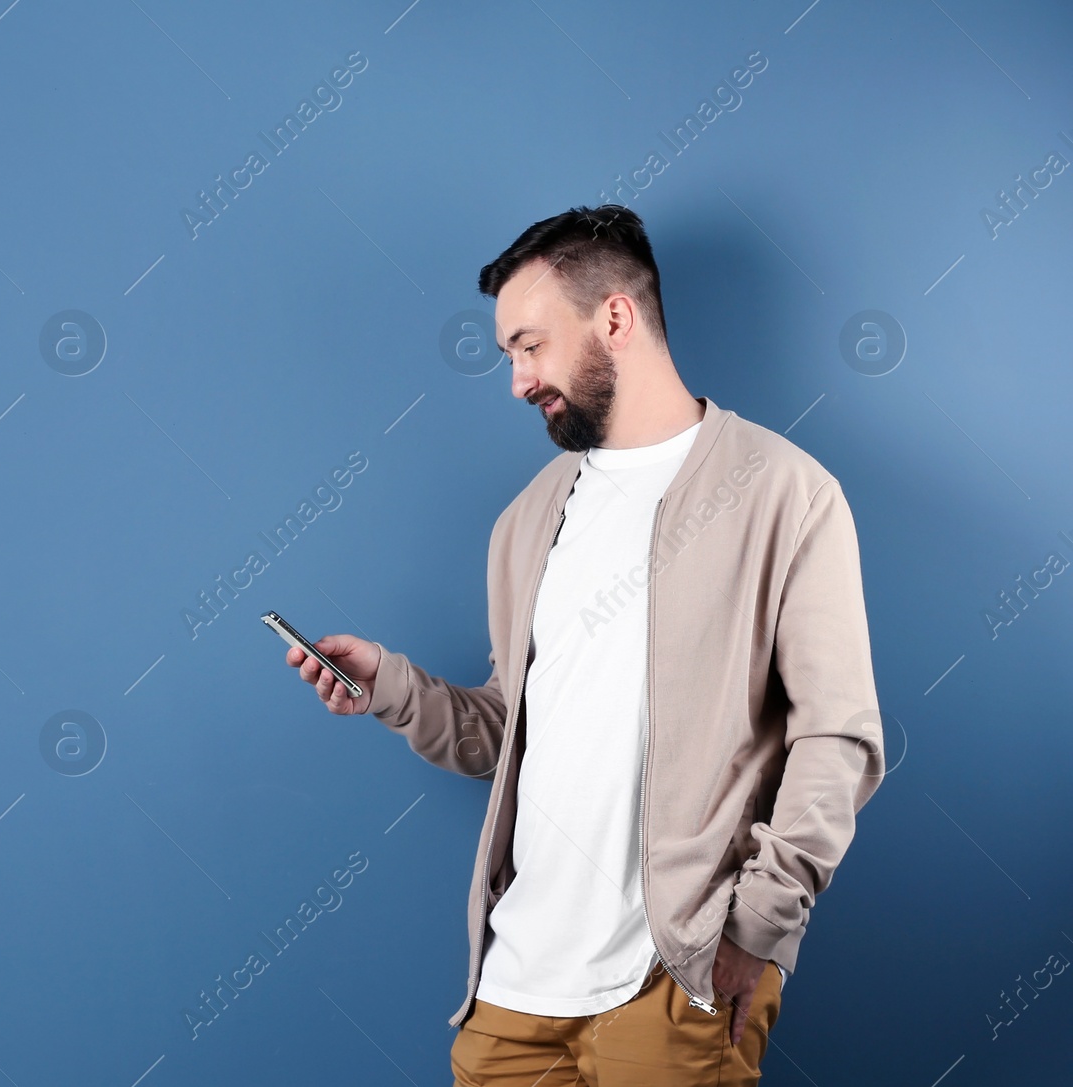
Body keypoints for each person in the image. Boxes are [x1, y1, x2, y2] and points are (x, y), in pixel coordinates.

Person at [285, 205, 884, 1085]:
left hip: (675, 982)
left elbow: (837, 738)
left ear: (615, 318)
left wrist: (756, 929)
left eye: (529, 345)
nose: (518, 380)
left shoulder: (786, 493)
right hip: (515, 988)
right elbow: (507, 732)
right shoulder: (527, 519)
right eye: (509, 356)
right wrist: (393, 688)